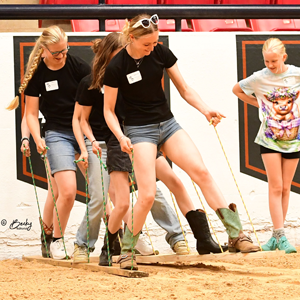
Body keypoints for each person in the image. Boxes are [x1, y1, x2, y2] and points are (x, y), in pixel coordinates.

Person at [104, 14, 259, 270]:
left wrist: (205, 109)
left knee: (201, 172)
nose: (152, 48)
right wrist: (121, 136)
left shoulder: (161, 52)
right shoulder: (117, 67)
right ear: (131, 38)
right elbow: (108, 110)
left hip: (167, 124)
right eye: (147, 45)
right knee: (147, 194)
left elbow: (184, 88)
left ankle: (236, 234)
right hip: (139, 131)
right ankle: (127, 251)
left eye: (155, 43)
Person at [72, 33, 194, 265]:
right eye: (122, 52)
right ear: (110, 54)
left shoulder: (134, 76)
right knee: (107, 199)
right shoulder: (90, 82)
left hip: (139, 139)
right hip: (108, 144)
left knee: (157, 190)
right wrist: (87, 147)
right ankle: (90, 244)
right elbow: (80, 119)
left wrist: (160, 141)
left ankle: (176, 237)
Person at [8, 25, 91, 259]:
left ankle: (114, 237)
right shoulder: (37, 74)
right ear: (44, 50)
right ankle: (54, 238)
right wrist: (34, 138)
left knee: (99, 187)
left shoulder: (78, 67)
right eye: (57, 52)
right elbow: (30, 114)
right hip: (56, 133)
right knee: (64, 191)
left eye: (65, 50)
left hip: (82, 131)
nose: (62, 55)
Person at [233, 38, 299, 254]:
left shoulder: (296, 74)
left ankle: (275, 236)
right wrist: (260, 105)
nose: (270, 65)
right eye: (267, 61)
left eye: (274, 61)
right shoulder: (259, 77)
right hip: (269, 138)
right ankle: (281, 235)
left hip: (294, 138)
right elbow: (237, 90)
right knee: (276, 186)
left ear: (284, 57)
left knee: (287, 187)